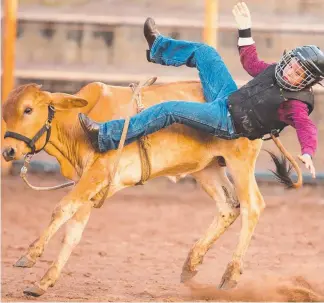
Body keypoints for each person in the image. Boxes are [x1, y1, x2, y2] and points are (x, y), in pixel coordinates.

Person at [78, 2, 324, 178]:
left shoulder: (295, 104)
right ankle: (159, 48)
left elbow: (306, 127)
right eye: (292, 64)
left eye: (298, 71)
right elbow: (251, 63)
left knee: (168, 110)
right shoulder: (275, 70)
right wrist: (245, 28)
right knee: (207, 52)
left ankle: (105, 137)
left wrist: (308, 153)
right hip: (227, 97)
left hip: (228, 122)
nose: (290, 70)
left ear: (308, 80)